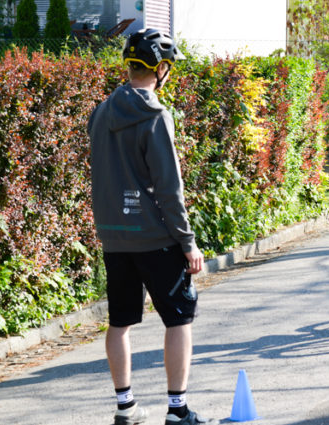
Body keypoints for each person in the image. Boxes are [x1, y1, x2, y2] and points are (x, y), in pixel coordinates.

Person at [88, 28, 216, 425]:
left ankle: (125, 408)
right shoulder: (156, 116)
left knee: (120, 322)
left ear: (129, 66)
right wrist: (188, 242)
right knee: (179, 319)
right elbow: (169, 187)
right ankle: (177, 411)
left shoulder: (101, 112)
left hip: (113, 236)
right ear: (160, 69)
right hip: (156, 238)